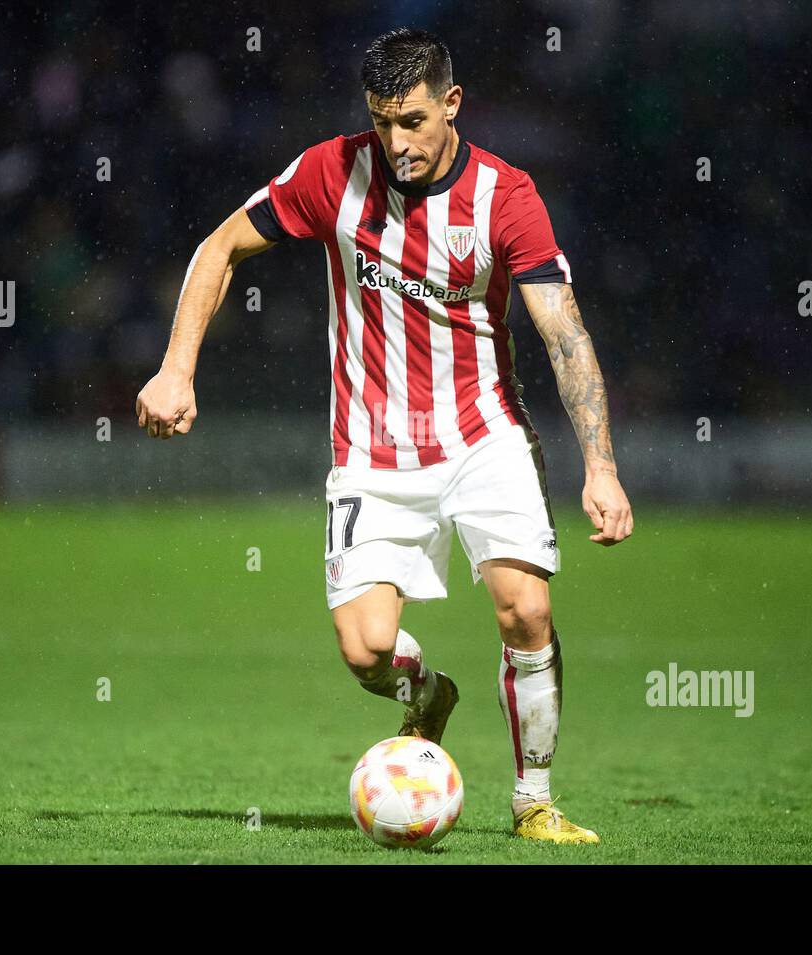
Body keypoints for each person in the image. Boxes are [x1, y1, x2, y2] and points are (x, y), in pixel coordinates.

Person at [136, 27, 633, 844]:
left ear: (452, 104)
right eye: (381, 121)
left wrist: (602, 467)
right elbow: (220, 244)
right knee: (366, 651)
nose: (396, 141)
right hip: (369, 448)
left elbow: (564, 334)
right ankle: (428, 693)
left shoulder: (506, 198)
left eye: (411, 121)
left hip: (484, 435)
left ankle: (533, 801)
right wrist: (177, 366)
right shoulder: (334, 171)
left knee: (525, 609)